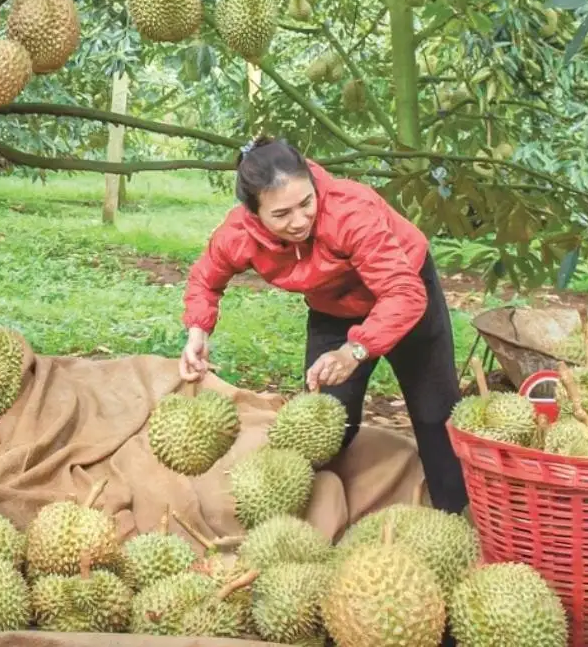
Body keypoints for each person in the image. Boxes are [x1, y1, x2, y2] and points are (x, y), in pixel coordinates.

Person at [178, 137, 469, 514]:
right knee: (326, 421)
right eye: (281, 215)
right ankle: (312, 520)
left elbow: (403, 294)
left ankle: (455, 514)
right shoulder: (238, 235)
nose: (299, 221)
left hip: (405, 289)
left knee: (435, 413)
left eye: (306, 203)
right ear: (253, 214)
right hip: (333, 306)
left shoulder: (349, 210)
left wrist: (355, 350)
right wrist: (198, 331)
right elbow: (205, 279)